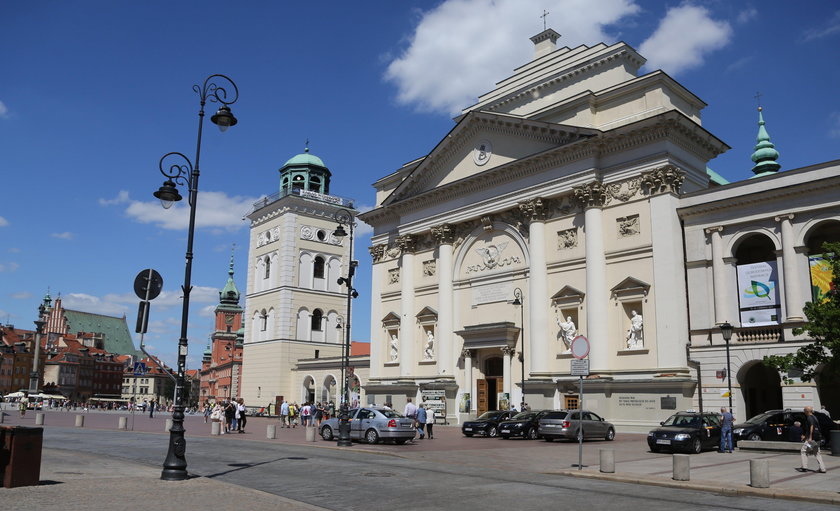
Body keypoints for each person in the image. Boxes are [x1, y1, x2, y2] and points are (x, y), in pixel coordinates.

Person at [797, 406, 826, 473]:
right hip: (817, 439)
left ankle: (804, 467)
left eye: (804, 410)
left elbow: (811, 426)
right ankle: (822, 468)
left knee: (803, 451)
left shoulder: (809, 418)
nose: (803, 411)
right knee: (817, 453)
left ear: (807, 411)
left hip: (811, 440)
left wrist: (810, 437)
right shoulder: (814, 417)